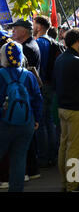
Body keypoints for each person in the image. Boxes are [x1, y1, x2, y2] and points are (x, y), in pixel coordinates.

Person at [53, 28, 79, 192]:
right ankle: (72, 185)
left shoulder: (61, 58)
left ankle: (65, 182)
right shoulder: (77, 61)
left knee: (64, 146)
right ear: (78, 41)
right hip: (76, 109)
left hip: (62, 107)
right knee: (74, 149)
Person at [0, 41, 43, 192]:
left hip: (3, 123)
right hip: (26, 123)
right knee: (19, 160)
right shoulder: (29, 75)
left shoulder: (1, 74)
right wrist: (36, 119)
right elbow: (38, 99)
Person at [10, 19, 41, 180]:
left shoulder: (26, 48)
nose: (13, 32)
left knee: (24, 140)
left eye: (15, 29)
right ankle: (32, 169)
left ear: (24, 31)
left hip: (24, 99)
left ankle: (27, 170)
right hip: (27, 98)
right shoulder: (31, 44)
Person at [33, 16, 58, 169]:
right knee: (49, 122)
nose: (32, 26)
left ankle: (43, 157)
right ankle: (52, 155)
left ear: (40, 27)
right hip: (52, 85)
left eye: (34, 24)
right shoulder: (52, 41)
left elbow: (38, 65)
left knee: (41, 122)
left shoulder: (40, 43)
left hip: (43, 85)